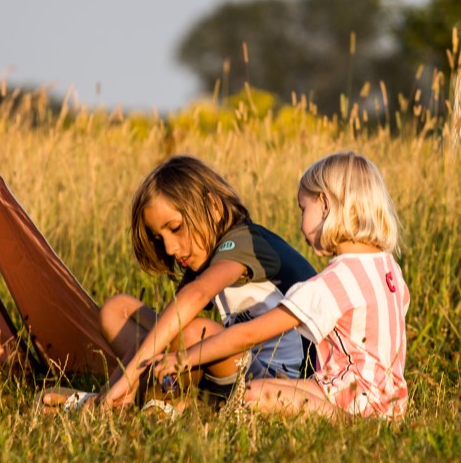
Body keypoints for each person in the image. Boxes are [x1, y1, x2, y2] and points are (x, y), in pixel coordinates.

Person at [44, 154, 316, 412]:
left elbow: (196, 297)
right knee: (118, 310)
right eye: (160, 238)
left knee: (192, 331)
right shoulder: (206, 256)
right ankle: (123, 400)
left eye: (175, 228)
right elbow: (164, 337)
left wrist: (129, 376)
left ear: (213, 208)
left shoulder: (245, 242)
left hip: (283, 378)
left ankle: (151, 401)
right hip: (236, 366)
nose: (171, 248)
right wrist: (114, 387)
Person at [151, 150, 409, 419]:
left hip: (355, 401)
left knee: (252, 396)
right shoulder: (389, 268)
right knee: (255, 389)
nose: (300, 223)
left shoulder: (333, 283)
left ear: (325, 204)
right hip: (385, 397)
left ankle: (351, 424)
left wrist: (186, 358)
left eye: (302, 209)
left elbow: (248, 334)